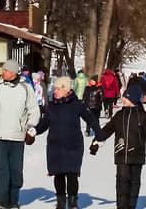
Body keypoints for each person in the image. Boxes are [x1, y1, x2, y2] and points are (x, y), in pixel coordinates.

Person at [0, 59, 41, 209]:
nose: (3, 72)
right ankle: (2, 200)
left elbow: (34, 110)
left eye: (6, 70)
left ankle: (13, 200)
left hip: (17, 136)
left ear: (13, 72)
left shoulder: (26, 88)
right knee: (1, 169)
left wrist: (31, 130)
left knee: (15, 170)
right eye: (3, 70)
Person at [36, 76, 101, 209]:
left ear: (66, 89)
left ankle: (72, 203)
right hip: (55, 145)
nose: (55, 92)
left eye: (58, 89)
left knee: (72, 174)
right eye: (54, 89)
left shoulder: (76, 104)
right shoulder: (52, 106)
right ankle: (60, 202)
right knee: (58, 174)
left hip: (73, 145)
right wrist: (34, 131)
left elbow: (90, 118)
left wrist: (99, 133)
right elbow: (44, 124)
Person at [91, 84, 146, 209]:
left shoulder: (143, 116)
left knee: (134, 184)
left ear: (132, 99)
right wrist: (96, 143)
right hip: (121, 156)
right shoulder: (119, 115)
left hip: (137, 156)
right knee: (121, 184)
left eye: (125, 97)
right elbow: (107, 130)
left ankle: (131, 206)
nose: (123, 99)